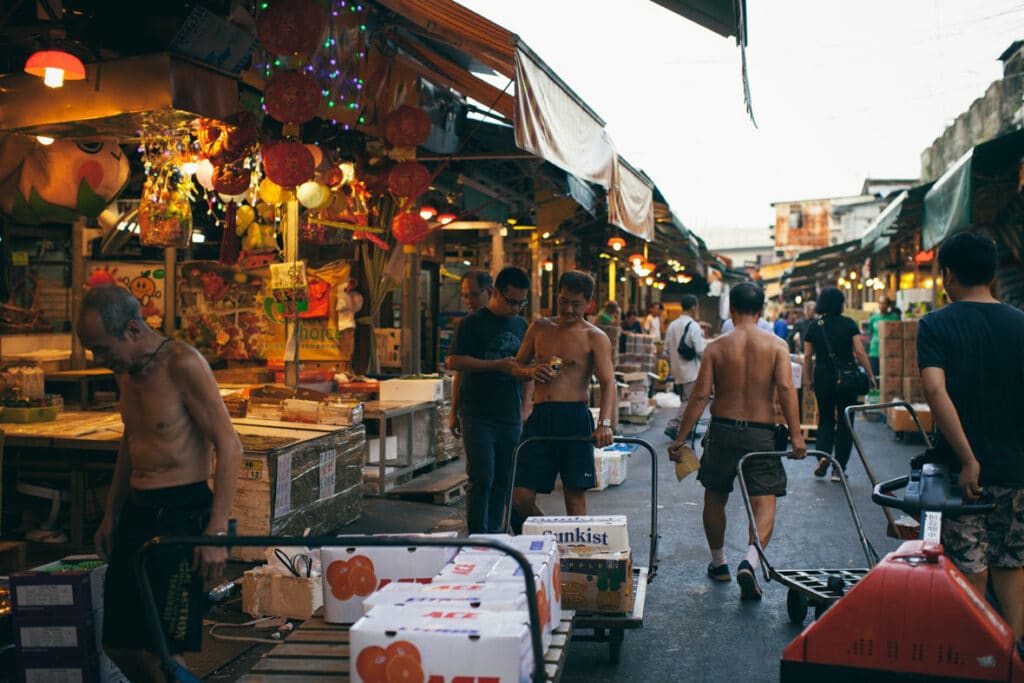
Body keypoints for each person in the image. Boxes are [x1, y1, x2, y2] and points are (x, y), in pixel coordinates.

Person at [75, 284, 242, 682]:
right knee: (118, 644)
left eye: (102, 349)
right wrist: (111, 515)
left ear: (133, 330)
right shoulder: (127, 372)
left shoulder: (182, 364)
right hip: (138, 511)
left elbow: (230, 446)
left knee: (162, 653)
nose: (100, 360)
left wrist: (216, 531)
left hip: (183, 517)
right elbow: (130, 445)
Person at [669, 282, 806, 599]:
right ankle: (751, 559)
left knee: (715, 498)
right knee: (765, 500)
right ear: (761, 311)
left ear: (731, 310)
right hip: (761, 433)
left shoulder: (717, 347)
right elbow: (786, 390)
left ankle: (719, 564)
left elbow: (701, 395)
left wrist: (681, 437)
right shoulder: (776, 346)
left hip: (722, 430)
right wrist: (797, 436)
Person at [917, 232, 1024, 640]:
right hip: (1015, 468)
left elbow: (934, 390)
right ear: (993, 274)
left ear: (947, 275)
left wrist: (967, 459)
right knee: (1011, 565)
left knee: (970, 567)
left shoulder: (936, 324)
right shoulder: (1020, 324)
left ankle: (976, 658)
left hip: (961, 476)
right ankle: (1009, 661)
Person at [510, 271, 616, 531]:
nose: (569, 309)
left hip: (574, 417)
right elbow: (516, 365)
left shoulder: (595, 337)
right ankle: (553, 534)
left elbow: (608, 382)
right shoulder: (539, 327)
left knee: (575, 495)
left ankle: (575, 553)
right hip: (541, 417)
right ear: (557, 296)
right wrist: (530, 372)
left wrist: (604, 423)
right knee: (520, 497)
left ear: (589, 303)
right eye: (564, 301)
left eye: (576, 304)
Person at [446, 266, 532, 534]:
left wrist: (526, 407)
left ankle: (495, 536)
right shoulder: (472, 323)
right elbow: (454, 361)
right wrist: (454, 410)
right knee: (481, 477)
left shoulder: (521, 325)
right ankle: (476, 537)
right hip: (477, 414)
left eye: (522, 302)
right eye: (512, 301)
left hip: (510, 415)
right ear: (496, 293)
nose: (516, 308)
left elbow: (528, 369)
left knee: (503, 481)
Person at [802, 287, 876, 481]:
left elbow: (808, 356)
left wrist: (808, 379)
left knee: (825, 419)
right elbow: (860, 352)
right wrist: (870, 375)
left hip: (822, 377)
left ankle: (823, 457)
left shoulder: (814, 326)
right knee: (846, 422)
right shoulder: (849, 324)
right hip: (847, 378)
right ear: (840, 304)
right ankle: (839, 469)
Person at [448, 269, 494, 439]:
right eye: (464, 295)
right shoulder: (467, 325)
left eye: (473, 295)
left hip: (506, 413)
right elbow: (458, 371)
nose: (468, 301)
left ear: (489, 292)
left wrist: (525, 406)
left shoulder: (513, 322)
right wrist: (454, 411)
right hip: (473, 412)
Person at [663, 294, 705, 441]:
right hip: (690, 370)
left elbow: (666, 349)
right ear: (694, 307)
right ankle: (673, 426)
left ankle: (687, 431)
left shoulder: (673, 325)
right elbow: (700, 350)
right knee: (689, 402)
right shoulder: (693, 326)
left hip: (677, 370)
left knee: (685, 400)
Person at [867, 295, 899, 377]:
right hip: (875, 351)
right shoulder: (873, 318)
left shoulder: (894, 317)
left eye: (884, 303)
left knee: (887, 376)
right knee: (875, 375)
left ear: (888, 305)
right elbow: (871, 331)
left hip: (889, 351)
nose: (882, 305)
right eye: (880, 303)